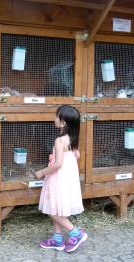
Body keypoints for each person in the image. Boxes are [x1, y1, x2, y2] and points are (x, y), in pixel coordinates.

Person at [34, 105, 87, 253]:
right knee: (56, 207)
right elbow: (77, 155)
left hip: (58, 178)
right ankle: (57, 240)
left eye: (56, 116)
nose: (54, 118)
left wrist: (41, 172)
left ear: (63, 122)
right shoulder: (72, 139)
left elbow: (58, 164)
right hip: (68, 178)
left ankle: (76, 233)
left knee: (52, 210)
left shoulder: (59, 141)